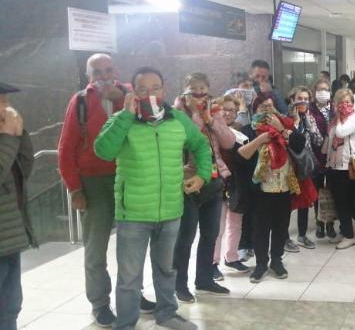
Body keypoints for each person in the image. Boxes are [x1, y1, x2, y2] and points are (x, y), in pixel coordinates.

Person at [94, 67, 211, 330]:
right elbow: (103, 150)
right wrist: (125, 116)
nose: (150, 94)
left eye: (155, 88)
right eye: (143, 89)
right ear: (133, 93)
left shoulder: (178, 120)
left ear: (164, 90)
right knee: (129, 277)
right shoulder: (120, 120)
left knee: (167, 269)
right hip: (133, 212)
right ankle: (125, 323)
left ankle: (167, 313)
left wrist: (202, 175)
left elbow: (201, 145)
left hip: (171, 209)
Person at [58, 54, 155, 327]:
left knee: (132, 245)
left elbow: (154, 121)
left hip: (130, 177)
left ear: (117, 70)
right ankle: (100, 303)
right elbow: (66, 149)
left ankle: (133, 294)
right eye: (96, 72)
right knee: (96, 248)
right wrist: (75, 189)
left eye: (108, 69)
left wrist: (123, 96)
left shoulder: (131, 95)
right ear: (88, 76)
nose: (103, 75)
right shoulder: (79, 102)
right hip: (94, 183)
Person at [171, 72, 236, 302]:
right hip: (187, 183)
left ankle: (205, 280)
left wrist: (210, 119)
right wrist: (199, 117)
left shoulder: (213, 113)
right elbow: (187, 140)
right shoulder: (175, 114)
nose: (199, 95)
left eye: (203, 91)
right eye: (194, 90)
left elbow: (228, 141)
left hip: (214, 180)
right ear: (185, 91)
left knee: (210, 234)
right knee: (185, 236)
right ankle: (179, 284)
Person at [237, 93, 305, 283]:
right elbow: (241, 157)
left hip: (283, 186)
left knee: (281, 226)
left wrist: (281, 129)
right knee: (260, 228)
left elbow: (300, 145)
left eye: (270, 107)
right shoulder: (248, 130)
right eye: (262, 108)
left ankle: (276, 260)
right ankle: (260, 264)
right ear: (254, 110)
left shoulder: (285, 126)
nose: (267, 111)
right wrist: (262, 139)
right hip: (260, 190)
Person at [0, 83, 37, 330]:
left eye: (5, 101)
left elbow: (25, 168)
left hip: (10, 236)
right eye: (1, 101)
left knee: (10, 306)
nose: (5, 107)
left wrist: (19, 135)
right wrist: (7, 138)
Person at [212, 95, 252, 277]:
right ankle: (213, 263)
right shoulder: (209, 131)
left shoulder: (241, 133)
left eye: (232, 110)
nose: (228, 113)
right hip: (217, 184)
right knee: (217, 227)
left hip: (236, 185)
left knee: (235, 224)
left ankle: (232, 257)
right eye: (224, 109)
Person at [285, 86, 323, 251]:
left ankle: (302, 234)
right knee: (287, 203)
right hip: (288, 166)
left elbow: (318, 141)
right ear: (292, 100)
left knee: (304, 201)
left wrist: (308, 122)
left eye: (306, 99)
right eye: (300, 98)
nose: (303, 102)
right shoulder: (285, 118)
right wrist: (295, 122)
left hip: (305, 165)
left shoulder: (311, 118)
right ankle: (284, 238)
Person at [326, 88, 355, 249]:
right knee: (338, 202)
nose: (344, 105)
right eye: (340, 102)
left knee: (344, 201)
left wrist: (339, 117)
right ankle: (343, 230)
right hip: (334, 165)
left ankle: (349, 235)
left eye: (347, 102)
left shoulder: (354, 118)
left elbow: (340, 132)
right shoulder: (335, 119)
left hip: (346, 165)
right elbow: (330, 137)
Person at [308, 79, 337, 239]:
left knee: (331, 191)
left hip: (333, 157)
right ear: (314, 93)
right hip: (316, 157)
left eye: (326, 90)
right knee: (317, 192)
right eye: (319, 90)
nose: (323, 93)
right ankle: (319, 223)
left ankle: (330, 223)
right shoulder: (310, 110)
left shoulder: (335, 108)